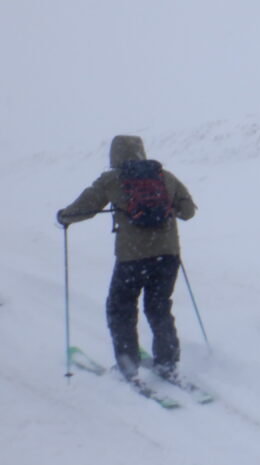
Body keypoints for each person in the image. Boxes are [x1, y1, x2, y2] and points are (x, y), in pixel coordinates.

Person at [57, 135, 196, 381]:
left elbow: (86, 207)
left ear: (115, 154)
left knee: (120, 308)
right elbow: (188, 211)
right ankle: (167, 363)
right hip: (168, 254)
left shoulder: (112, 180)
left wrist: (64, 217)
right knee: (159, 307)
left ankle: (128, 365)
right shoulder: (164, 176)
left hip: (133, 257)